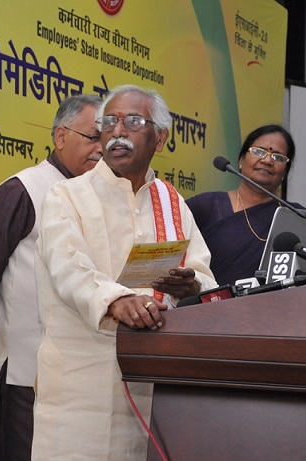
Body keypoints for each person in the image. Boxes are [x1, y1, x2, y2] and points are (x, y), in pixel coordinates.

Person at [31, 84, 217, 460]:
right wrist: (117, 301)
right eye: (109, 122)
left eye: (133, 121)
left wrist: (191, 285)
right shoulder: (66, 196)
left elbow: (203, 275)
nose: (118, 131)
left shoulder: (172, 202)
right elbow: (69, 268)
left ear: (160, 138)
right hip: (80, 388)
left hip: (154, 383)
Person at [0, 94, 103, 461]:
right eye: (93, 137)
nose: (101, 148)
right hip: (25, 378)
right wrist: (5, 349)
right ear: (61, 136)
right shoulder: (20, 192)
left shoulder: (100, 198)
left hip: (84, 377)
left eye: (107, 140)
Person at [186, 124, 304, 285]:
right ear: (241, 160)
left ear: (285, 172)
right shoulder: (206, 206)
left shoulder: (296, 217)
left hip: (274, 301)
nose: (267, 160)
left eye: (278, 157)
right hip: (211, 300)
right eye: (259, 151)